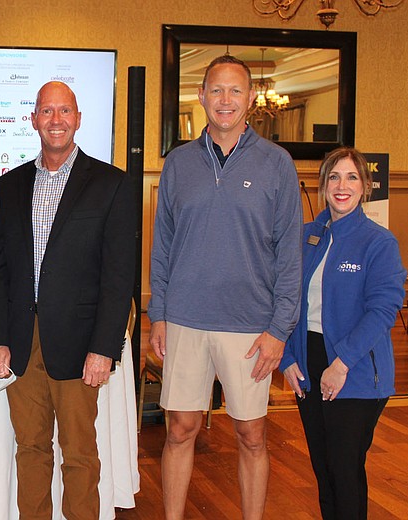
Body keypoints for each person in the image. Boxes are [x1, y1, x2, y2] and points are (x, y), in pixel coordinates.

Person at [148, 55, 302, 519]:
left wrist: (279, 330)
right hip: (185, 320)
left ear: (252, 98)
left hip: (251, 327)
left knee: (251, 435)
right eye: (216, 90)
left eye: (236, 91)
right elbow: (163, 247)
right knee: (179, 429)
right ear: (201, 96)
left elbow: (290, 255)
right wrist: (159, 314)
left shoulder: (277, 164)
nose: (225, 100)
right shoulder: (178, 164)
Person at [0, 81, 135, 520]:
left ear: (78, 119)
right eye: (46, 111)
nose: (55, 120)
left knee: (79, 453)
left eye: (64, 111)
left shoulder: (112, 184)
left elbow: (118, 277)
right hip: (20, 340)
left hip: (80, 341)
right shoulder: (9, 185)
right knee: (30, 448)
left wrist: (105, 347)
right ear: (33, 119)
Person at [281, 147, 405, 519]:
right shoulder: (304, 237)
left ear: (365, 186)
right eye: (334, 177)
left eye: (351, 177)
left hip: (356, 370)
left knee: (345, 469)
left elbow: (382, 310)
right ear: (322, 186)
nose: (342, 185)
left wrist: (341, 364)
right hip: (308, 363)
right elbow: (283, 299)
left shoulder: (379, 243)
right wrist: (287, 358)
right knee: (324, 470)